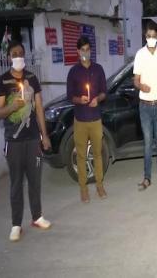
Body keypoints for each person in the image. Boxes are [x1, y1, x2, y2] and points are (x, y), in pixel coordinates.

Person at [0, 40, 52, 242]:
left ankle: (37, 217)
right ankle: (16, 224)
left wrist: (44, 135)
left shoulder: (32, 78)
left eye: (20, 53)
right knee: (16, 183)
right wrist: (13, 107)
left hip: (33, 139)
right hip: (14, 141)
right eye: (14, 53)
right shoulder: (2, 81)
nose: (18, 56)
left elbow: (39, 108)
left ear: (24, 56)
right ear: (9, 57)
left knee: (35, 180)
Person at [67, 36, 107, 203]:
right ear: (78, 52)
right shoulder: (73, 72)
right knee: (81, 156)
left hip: (95, 119)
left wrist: (98, 98)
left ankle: (99, 185)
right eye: (82, 50)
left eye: (88, 49)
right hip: (80, 120)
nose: (85, 52)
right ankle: (83, 189)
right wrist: (79, 100)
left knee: (98, 154)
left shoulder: (98, 69)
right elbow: (70, 96)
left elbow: (104, 92)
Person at [133, 21, 157, 190]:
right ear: (145, 36)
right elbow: (135, 79)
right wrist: (141, 86)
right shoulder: (139, 55)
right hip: (145, 106)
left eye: (154, 36)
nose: (151, 38)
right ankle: (147, 178)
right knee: (148, 142)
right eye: (148, 36)